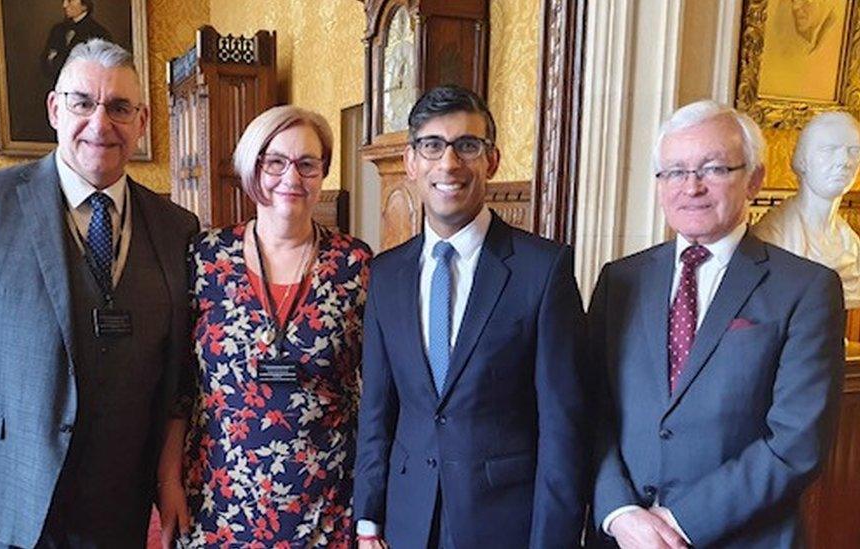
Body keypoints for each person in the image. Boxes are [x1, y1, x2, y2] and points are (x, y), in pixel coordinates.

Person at [0, 39, 199, 547]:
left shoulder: (177, 227)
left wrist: (168, 477)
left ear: (142, 121)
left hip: (117, 499)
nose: (100, 124)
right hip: (3, 489)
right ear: (55, 109)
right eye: (83, 102)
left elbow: (176, 369)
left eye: (120, 108)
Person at [589, 100, 845, 549]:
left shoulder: (807, 288)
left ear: (754, 180)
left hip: (746, 538)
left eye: (713, 169)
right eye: (674, 172)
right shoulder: (620, 280)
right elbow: (590, 409)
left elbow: (796, 442)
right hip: (625, 538)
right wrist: (619, 512)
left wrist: (678, 522)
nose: (692, 187)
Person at [353, 85, 588, 548]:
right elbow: (378, 411)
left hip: (503, 523)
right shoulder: (386, 273)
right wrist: (368, 520)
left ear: (492, 160)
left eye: (467, 146)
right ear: (412, 161)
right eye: (432, 146)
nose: (449, 163)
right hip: (407, 519)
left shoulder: (543, 270)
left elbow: (563, 425)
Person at [156, 105, 372, 548]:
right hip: (218, 498)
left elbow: (380, 389)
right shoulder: (207, 258)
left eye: (307, 164)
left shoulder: (354, 264)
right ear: (252, 168)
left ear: (323, 172)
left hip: (325, 503)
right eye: (275, 161)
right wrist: (167, 480)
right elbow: (181, 385)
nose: (291, 177)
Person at [753, 111, 860, 308]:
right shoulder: (771, 238)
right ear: (802, 160)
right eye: (829, 149)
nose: (844, 161)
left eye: (854, 150)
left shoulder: (852, 244)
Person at [42, 0, 113, 84]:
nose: (64, 5)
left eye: (69, 1)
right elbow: (45, 62)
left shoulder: (98, 34)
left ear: (85, 5)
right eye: (63, 1)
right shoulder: (57, 30)